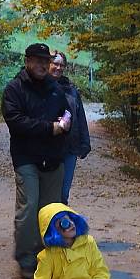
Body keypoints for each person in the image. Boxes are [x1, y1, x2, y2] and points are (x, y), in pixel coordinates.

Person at [1, 43, 71, 279]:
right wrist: (49, 128)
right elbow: (17, 122)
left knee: (51, 211)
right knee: (29, 210)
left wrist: (65, 124)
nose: (43, 65)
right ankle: (27, 261)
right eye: (38, 60)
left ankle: (47, 258)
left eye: (46, 60)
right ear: (27, 61)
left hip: (53, 158)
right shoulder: (14, 89)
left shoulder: (56, 89)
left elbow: (65, 115)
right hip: (26, 158)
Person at [49, 51, 91, 204]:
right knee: (48, 194)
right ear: (48, 64)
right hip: (47, 148)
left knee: (63, 194)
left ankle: (58, 227)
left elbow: (80, 117)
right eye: (55, 63)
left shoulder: (71, 90)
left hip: (69, 149)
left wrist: (85, 143)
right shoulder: (39, 88)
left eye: (62, 65)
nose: (59, 68)